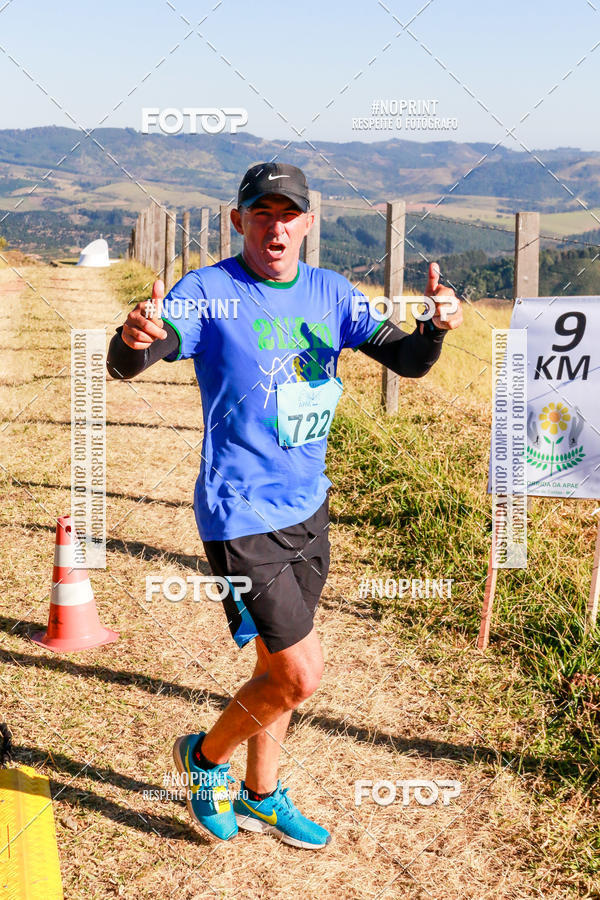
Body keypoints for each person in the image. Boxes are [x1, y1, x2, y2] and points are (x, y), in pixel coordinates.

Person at [107, 162, 462, 849]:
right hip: (240, 513)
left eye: (288, 214)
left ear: (306, 223)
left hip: (308, 505)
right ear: (240, 222)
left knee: (277, 672)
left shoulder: (331, 293)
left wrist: (437, 325)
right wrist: (132, 341)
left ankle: (263, 793)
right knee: (303, 673)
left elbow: (410, 361)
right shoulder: (209, 291)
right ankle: (204, 761)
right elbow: (142, 357)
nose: (275, 227)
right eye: (261, 214)